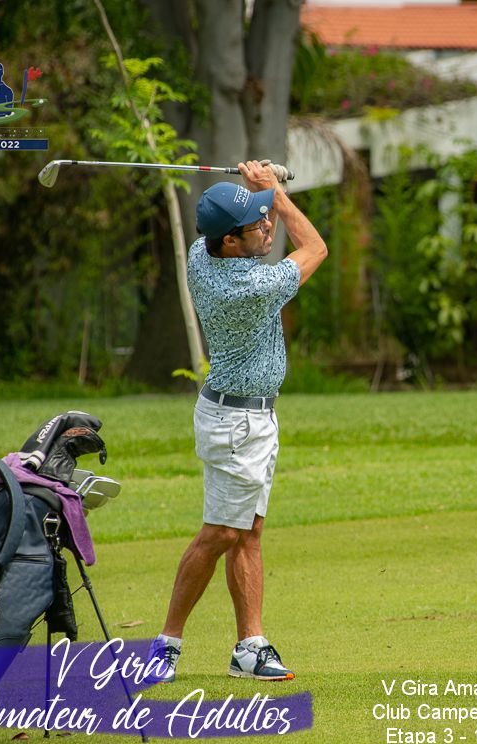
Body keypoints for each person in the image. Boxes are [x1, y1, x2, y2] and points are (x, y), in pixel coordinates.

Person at [151, 160, 327, 682]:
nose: (268, 226)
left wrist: (254, 192)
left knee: (248, 530)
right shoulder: (249, 285)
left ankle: (249, 646)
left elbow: (237, 224)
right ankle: (165, 645)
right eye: (257, 224)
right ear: (230, 242)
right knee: (221, 534)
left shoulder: (201, 253)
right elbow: (316, 247)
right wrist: (274, 191)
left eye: (265, 216)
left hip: (248, 418)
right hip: (236, 425)